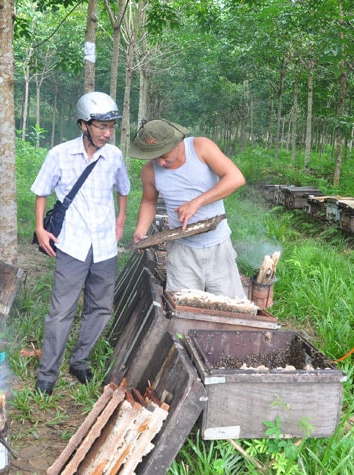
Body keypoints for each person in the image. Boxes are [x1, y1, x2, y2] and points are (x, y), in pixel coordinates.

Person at [31, 91, 130, 396]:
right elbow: (41, 191)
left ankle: (80, 361)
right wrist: (39, 228)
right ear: (84, 125)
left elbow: (123, 188)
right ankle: (47, 374)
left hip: (104, 246)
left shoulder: (114, 156)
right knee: (61, 311)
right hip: (71, 243)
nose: (107, 132)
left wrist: (121, 219)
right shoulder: (59, 154)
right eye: (101, 126)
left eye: (111, 126)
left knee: (100, 307)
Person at [130, 119, 247, 299]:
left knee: (230, 305)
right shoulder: (149, 171)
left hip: (218, 244)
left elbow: (235, 178)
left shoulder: (201, 148)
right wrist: (141, 229)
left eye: (164, 155)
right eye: (155, 157)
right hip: (181, 249)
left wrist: (197, 202)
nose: (160, 162)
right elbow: (148, 202)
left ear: (177, 142)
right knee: (184, 305)